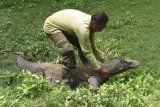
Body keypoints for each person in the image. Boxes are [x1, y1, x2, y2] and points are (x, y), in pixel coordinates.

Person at [43, 9, 109, 80]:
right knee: (67, 50)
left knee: (85, 45)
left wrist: (103, 60)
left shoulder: (91, 22)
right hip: (51, 26)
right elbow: (88, 52)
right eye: (100, 28)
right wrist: (100, 70)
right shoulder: (83, 30)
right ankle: (65, 80)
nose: (100, 30)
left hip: (64, 25)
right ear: (94, 23)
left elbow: (92, 45)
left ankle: (88, 67)